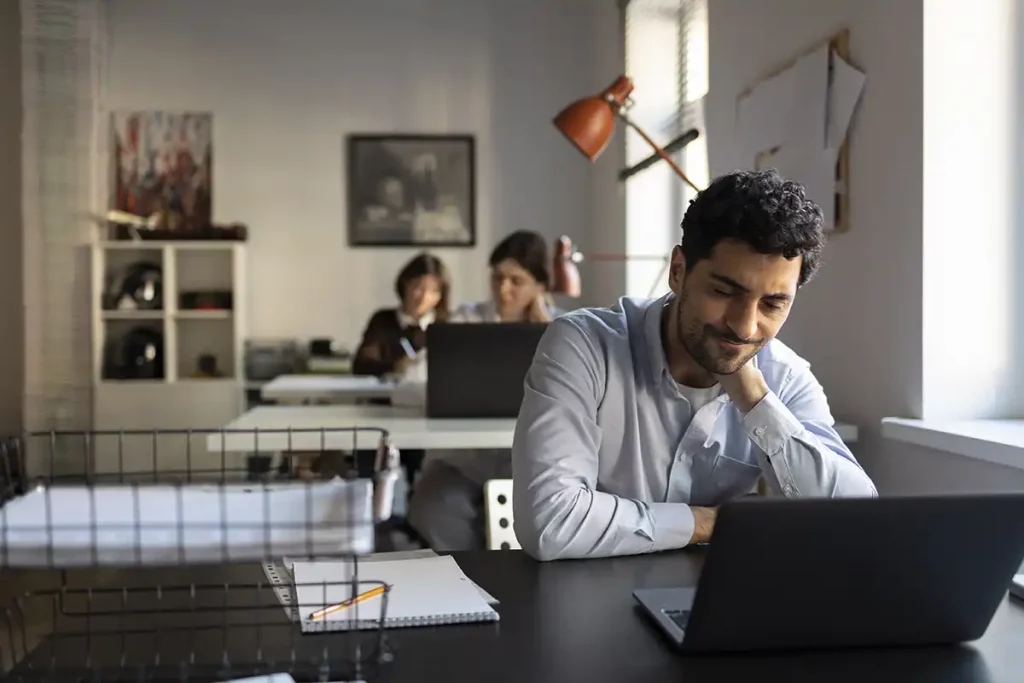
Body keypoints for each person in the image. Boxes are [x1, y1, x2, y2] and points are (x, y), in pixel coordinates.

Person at [511, 169, 877, 562]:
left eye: (773, 304)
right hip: (586, 599)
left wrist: (753, 398)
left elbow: (856, 517)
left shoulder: (783, 376)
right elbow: (549, 522)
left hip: (718, 604)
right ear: (678, 271)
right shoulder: (584, 345)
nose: (745, 325)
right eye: (724, 292)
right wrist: (717, 522)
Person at [406, 230, 558, 550]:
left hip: (531, 463)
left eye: (516, 281)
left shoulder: (563, 331)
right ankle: (470, 578)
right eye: (498, 278)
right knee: (433, 510)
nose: (504, 289)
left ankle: (508, 582)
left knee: (543, 518)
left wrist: (546, 329)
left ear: (539, 285)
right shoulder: (465, 321)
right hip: (464, 462)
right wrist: (445, 394)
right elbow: (409, 384)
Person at [352, 252, 450, 378]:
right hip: (387, 396)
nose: (424, 297)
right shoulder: (382, 320)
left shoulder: (446, 324)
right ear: (404, 284)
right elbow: (360, 367)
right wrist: (395, 367)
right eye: (418, 287)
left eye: (433, 291)